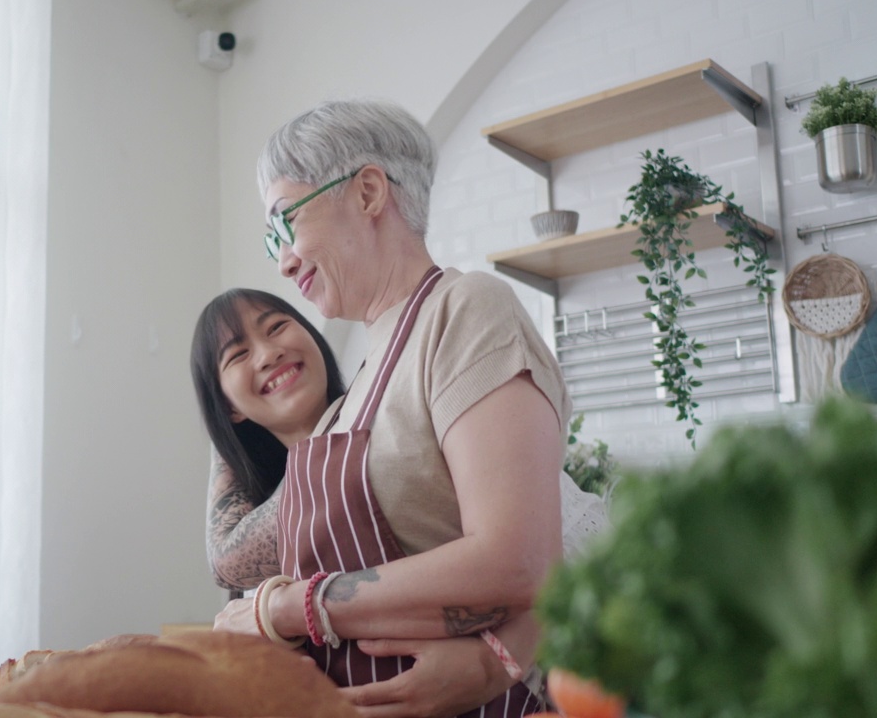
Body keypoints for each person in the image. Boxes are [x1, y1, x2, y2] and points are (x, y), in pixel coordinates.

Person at [203, 98, 580, 718]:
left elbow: (520, 560)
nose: (283, 259)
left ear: (369, 192)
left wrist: (288, 606)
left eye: (285, 224)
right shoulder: (348, 398)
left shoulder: (465, 311)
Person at [190, 288, 607, 717]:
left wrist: (495, 659)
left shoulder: (409, 432)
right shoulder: (262, 542)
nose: (267, 354)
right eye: (237, 356)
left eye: (277, 327)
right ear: (227, 406)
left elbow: (551, 555)